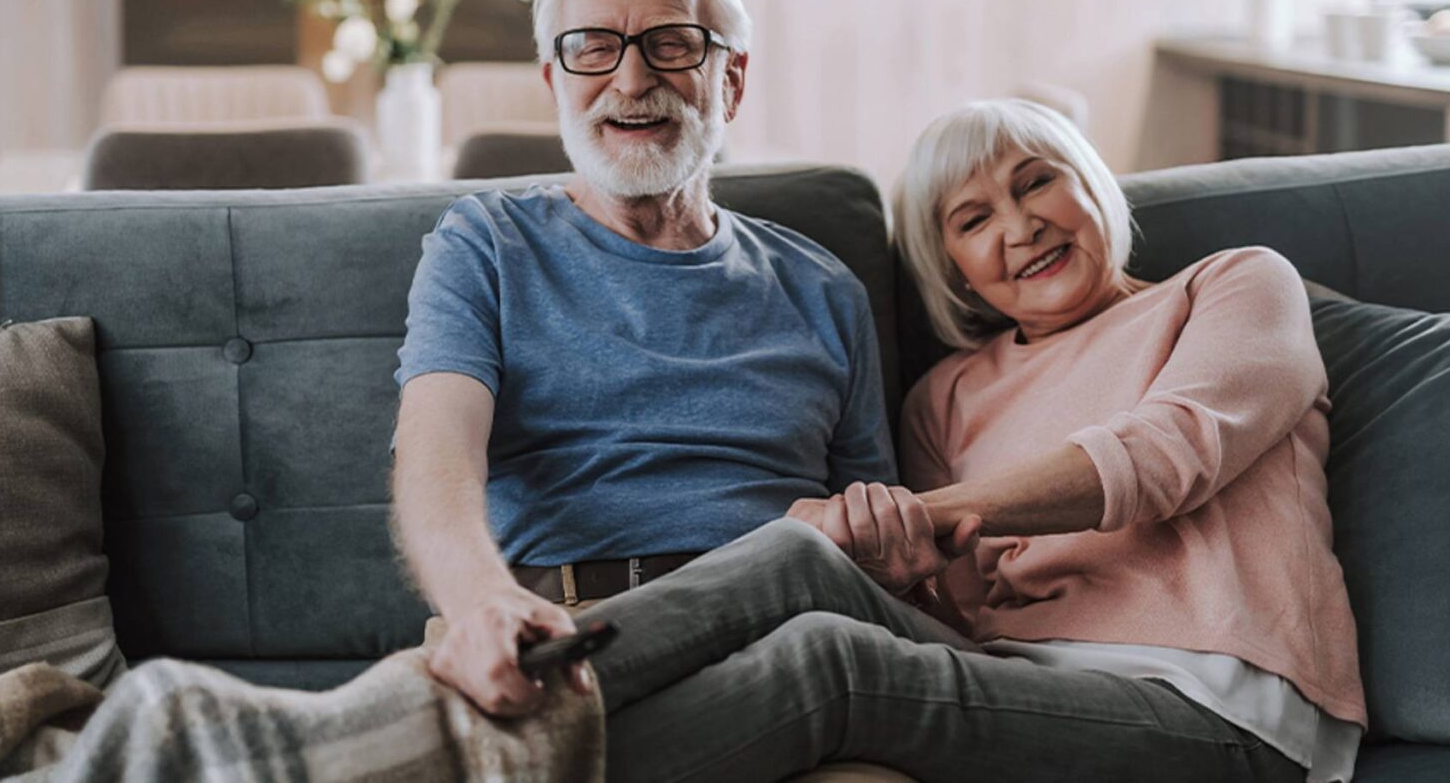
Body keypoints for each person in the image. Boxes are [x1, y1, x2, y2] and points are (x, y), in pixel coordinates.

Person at [537, 99, 1369, 783]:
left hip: (1215, 709)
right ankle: (498, 699)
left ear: (1094, 186)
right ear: (955, 269)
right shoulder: (947, 396)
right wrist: (901, 568)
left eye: (1037, 183)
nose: (1020, 227)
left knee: (832, 664)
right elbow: (960, 620)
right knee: (799, 556)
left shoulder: (1231, 286)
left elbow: (1167, 456)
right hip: (1021, 687)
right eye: (975, 219)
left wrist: (918, 513)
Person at [389, 0, 895, 721]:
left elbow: (878, 534)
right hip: (562, 630)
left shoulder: (824, 288)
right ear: (555, 81)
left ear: (730, 80)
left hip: (782, 629)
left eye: (671, 44)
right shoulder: (485, 244)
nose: (630, 80)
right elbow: (435, 457)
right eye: (593, 48)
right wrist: (481, 602)